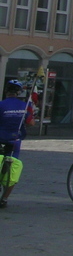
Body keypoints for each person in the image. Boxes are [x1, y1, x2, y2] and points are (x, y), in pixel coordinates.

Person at [0, 80, 32, 208]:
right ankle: (4, 199)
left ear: (6, 91)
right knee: (12, 170)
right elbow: (31, 123)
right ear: (18, 92)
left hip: (1, 138)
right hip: (15, 140)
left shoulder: (1, 104)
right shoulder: (24, 106)